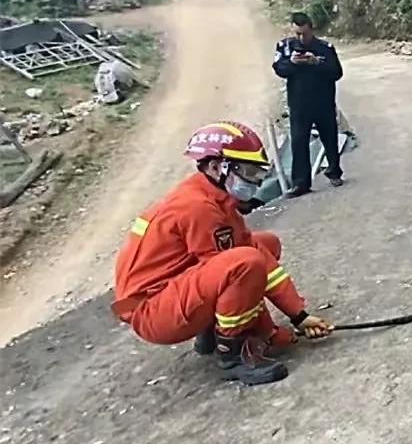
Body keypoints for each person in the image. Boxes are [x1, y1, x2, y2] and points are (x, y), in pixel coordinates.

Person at [111, 121, 334, 386]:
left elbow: (255, 252)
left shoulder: (213, 197)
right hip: (154, 312)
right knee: (243, 263)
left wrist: (299, 314)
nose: (255, 180)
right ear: (218, 167)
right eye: (249, 171)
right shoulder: (198, 208)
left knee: (265, 244)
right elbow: (241, 270)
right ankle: (234, 354)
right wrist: (269, 332)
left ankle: (211, 332)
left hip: (165, 295)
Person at [273, 12, 344, 195]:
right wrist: (292, 63)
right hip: (299, 104)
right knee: (299, 142)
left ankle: (334, 172)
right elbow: (279, 69)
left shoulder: (325, 47)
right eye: (297, 33)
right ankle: (301, 183)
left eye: (304, 33)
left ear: (312, 29)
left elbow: (336, 72)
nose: (301, 38)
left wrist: (316, 63)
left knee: (329, 138)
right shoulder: (285, 47)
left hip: (323, 101)